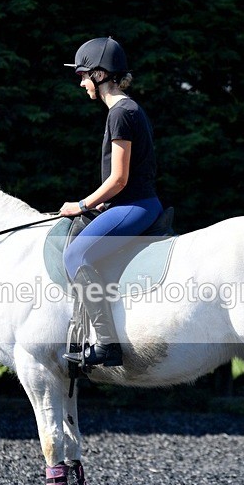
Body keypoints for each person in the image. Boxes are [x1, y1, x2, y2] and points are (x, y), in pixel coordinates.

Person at [60, 37, 163, 367]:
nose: (81, 82)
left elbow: (118, 179)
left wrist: (82, 205)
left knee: (75, 254)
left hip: (136, 206)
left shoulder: (120, 113)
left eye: (83, 75)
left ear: (100, 74)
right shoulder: (128, 109)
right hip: (131, 203)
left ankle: (107, 344)